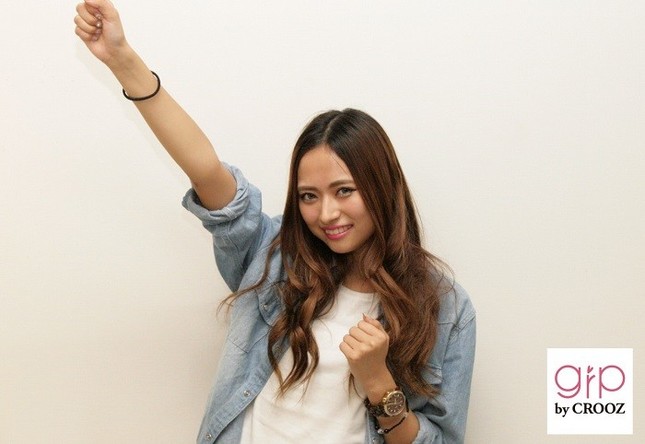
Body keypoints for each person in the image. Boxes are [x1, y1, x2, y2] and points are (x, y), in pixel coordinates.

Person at [74, 1, 476, 443]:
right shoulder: (274, 257)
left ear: (381, 186)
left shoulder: (445, 309)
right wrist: (124, 62)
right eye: (309, 196)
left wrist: (379, 383)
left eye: (344, 190)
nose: (326, 214)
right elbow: (206, 171)